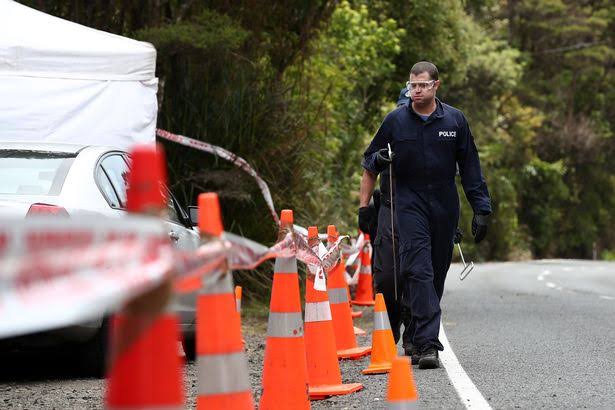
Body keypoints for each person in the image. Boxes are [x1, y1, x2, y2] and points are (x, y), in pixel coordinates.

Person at [358, 61, 491, 369]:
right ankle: (427, 344)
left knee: (436, 272)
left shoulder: (455, 121)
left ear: (435, 86)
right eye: (412, 86)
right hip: (408, 204)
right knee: (418, 269)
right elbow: (370, 159)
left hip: (444, 205)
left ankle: (418, 333)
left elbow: (471, 168)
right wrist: (378, 160)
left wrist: (481, 208)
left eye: (421, 85)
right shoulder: (395, 121)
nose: (415, 91)